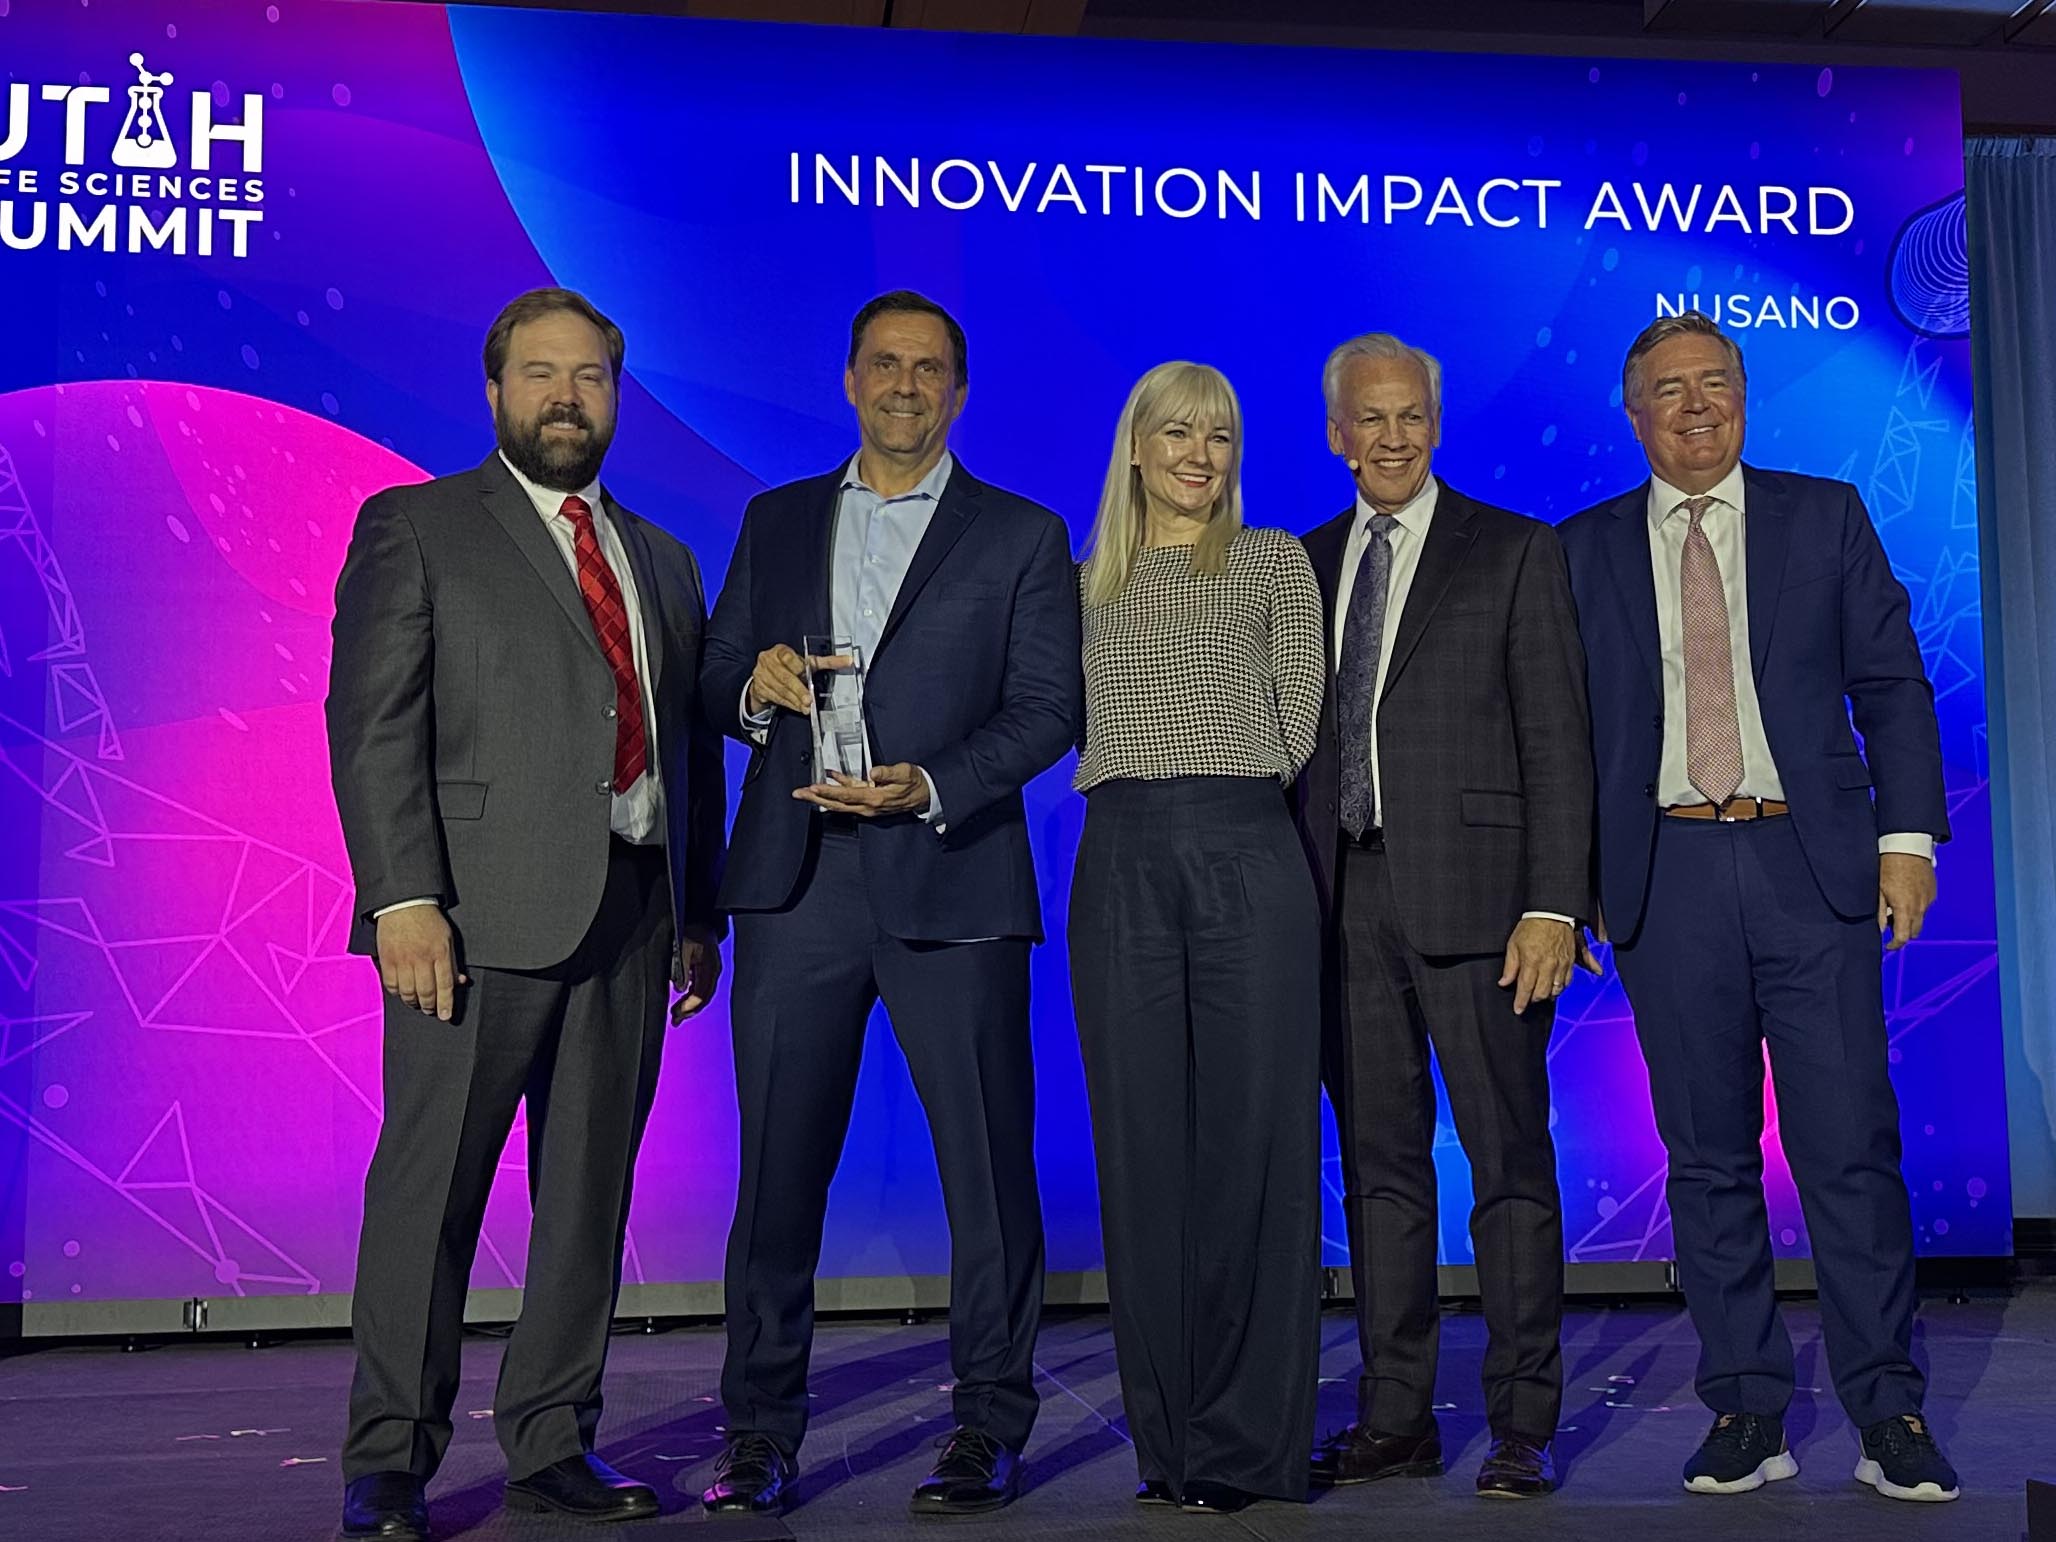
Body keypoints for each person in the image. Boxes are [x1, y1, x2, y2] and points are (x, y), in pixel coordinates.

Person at [327, 287, 728, 1540]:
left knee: (587, 1199)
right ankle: (390, 1462)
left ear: (616, 395)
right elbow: (372, 725)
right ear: (496, 389)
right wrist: (404, 899)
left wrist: (697, 914)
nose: (567, 396)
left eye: (590, 376)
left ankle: (554, 1442)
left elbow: (686, 754)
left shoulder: (663, 559)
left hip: (633, 916)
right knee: (430, 1197)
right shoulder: (417, 525)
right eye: (542, 373)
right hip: (468, 923)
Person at [1557, 310, 1959, 1503]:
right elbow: (1556, 735)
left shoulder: (1822, 517)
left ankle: (1888, 1410)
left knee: (1847, 1147)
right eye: (1669, 388)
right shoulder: (1579, 549)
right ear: (1633, 412)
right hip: (1664, 876)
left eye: (1715, 382)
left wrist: (1905, 840)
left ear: (1743, 395)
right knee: (1706, 1160)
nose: (1696, 405)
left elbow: (1892, 684)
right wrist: (1564, 890)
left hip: (1809, 868)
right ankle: (1744, 1406)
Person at [696, 290, 1081, 1518]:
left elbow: (1049, 708)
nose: (905, 385)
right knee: (777, 1177)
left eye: (927, 368)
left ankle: (988, 1426)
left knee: (986, 1175)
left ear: (957, 392)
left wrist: (933, 784)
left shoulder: (1020, 534)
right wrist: (754, 689)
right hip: (797, 882)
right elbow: (714, 674)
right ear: (849, 380)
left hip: (951, 875)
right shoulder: (776, 518)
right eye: (884, 364)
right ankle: (759, 1433)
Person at [1298, 333, 1592, 1500]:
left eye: (1411, 414)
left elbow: (1557, 739)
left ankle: (1523, 1422)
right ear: (1337, 434)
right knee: (1379, 1173)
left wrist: (1553, 904)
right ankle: (1395, 1417)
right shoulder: (1303, 562)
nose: (1393, 436)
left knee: (1508, 1165)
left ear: (1436, 422)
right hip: (1342, 904)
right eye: (1370, 418)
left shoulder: (1513, 548)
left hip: (1485, 909)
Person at [1069, 360, 1326, 1516]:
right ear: (1136, 448)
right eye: (1175, 433)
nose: (1197, 454)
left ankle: (1248, 1446)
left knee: (1255, 1150)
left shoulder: (1271, 562)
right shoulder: (1080, 584)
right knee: (1141, 1156)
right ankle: (1168, 1445)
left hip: (1244, 850)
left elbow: (1296, 721)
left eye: (1218, 435)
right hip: (1119, 857)